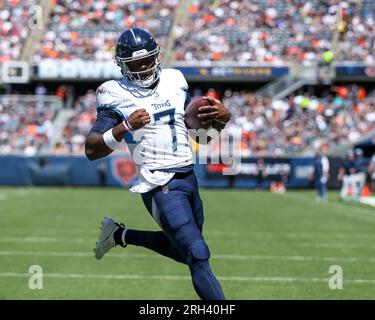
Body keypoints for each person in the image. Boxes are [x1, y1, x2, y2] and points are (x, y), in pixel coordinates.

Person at [85, 28, 230, 300]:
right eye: (134, 64)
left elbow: (201, 136)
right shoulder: (114, 93)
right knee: (198, 254)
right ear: (122, 65)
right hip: (158, 183)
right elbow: (92, 149)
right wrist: (124, 126)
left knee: (183, 251)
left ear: (157, 56)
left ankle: (119, 235)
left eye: (147, 61)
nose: (142, 69)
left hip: (188, 178)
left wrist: (223, 118)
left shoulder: (175, 80)